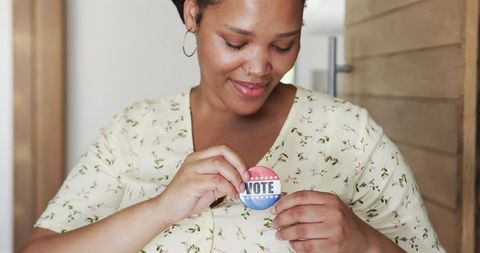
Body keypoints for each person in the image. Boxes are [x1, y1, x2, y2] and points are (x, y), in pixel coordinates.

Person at [23, 0, 445, 252]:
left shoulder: (349, 135)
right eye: (235, 42)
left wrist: (365, 244)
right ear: (193, 14)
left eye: (283, 45)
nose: (260, 68)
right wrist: (159, 210)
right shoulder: (134, 132)